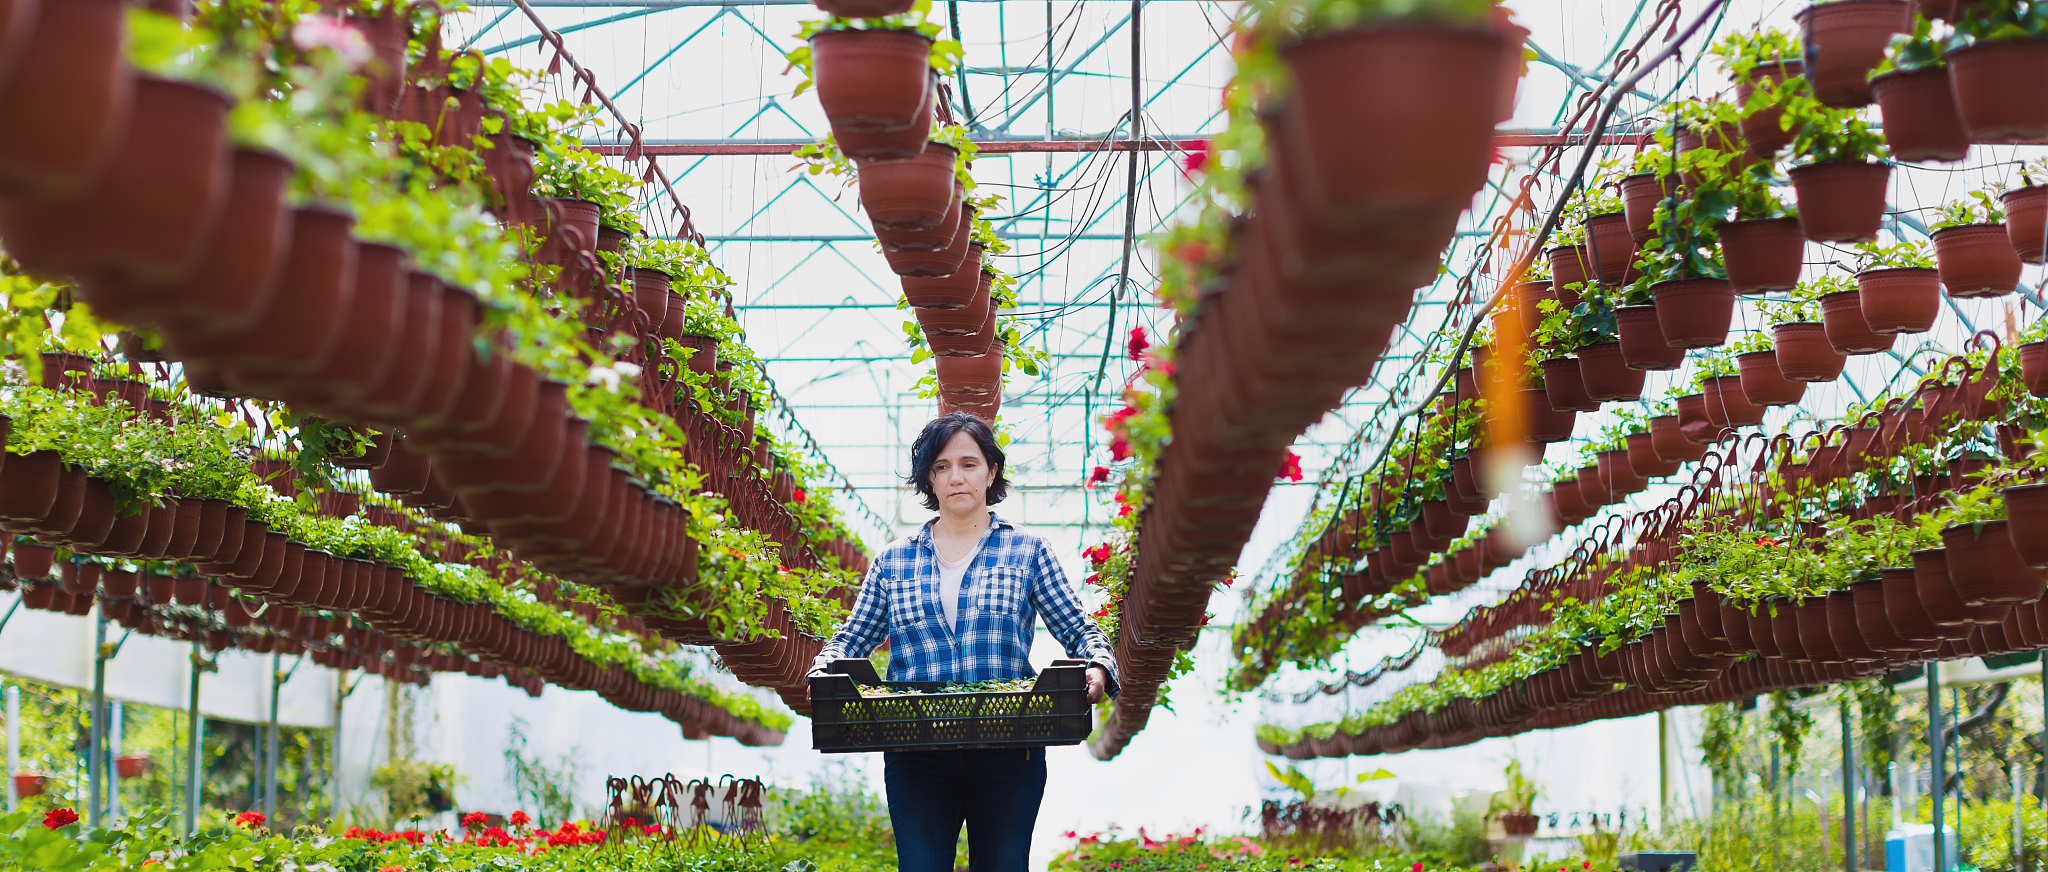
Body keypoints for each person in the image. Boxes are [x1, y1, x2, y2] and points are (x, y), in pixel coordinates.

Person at [811, 412, 1119, 872]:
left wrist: (1097, 667)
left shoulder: (1027, 552)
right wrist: (824, 666)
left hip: (1009, 751)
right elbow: (852, 639)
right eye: (941, 467)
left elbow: (1080, 629)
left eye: (969, 464)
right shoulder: (894, 561)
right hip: (916, 754)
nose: (956, 477)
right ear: (929, 480)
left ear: (991, 472)